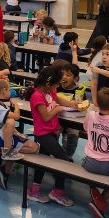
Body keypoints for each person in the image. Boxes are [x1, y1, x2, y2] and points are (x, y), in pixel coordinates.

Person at [27, 64, 75, 206]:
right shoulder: (37, 96)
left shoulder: (50, 92)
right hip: (43, 134)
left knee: (43, 160)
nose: (56, 88)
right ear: (48, 84)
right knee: (63, 160)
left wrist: (74, 104)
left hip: (52, 131)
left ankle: (34, 190)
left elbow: (60, 100)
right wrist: (57, 109)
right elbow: (46, 116)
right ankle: (58, 191)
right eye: (55, 85)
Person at [81, 87, 109, 218]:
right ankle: (100, 198)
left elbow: (85, 128)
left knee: (84, 160)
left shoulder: (91, 115)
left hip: (89, 163)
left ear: (97, 104)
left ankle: (93, 188)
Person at [0, 77, 38, 187]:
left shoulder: (2, 104)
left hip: (5, 138)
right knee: (11, 121)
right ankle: (6, 152)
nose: (10, 92)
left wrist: (18, 134)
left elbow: (7, 126)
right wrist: (16, 106)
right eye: (9, 90)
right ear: (4, 91)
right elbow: (16, 117)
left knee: (34, 147)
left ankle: (4, 167)